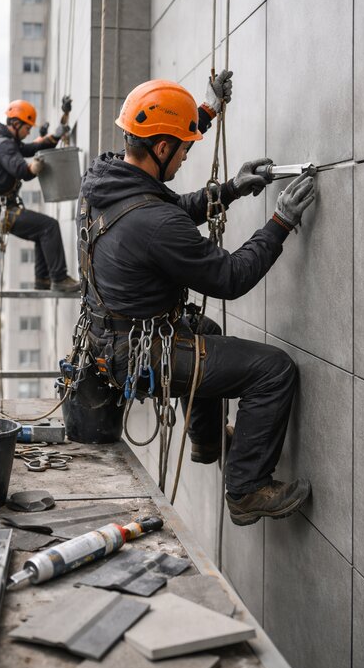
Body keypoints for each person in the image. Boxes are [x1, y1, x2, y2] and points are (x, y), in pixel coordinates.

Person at [77, 76, 316, 526]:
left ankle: (207, 440)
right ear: (162, 147)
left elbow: (157, 206)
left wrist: (229, 189)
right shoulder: (154, 222)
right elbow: (230, 277)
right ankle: (246, 489)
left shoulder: (102, 180)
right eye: (184, 147)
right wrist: (280, 222)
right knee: (273, 370)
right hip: (141, 353)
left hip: (111, 340)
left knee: (205, 333)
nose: (187, 155)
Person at [0, 97, 81, 292]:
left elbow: (34, 146)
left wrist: (57, 134)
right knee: (49, 226)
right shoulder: (3, 145)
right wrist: (34, 167)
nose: (28, 132)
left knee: (41, 231)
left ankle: (42, 280)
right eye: (26, 128)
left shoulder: (6, 142)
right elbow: (22, 171)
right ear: (15, 124)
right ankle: (59, 278)